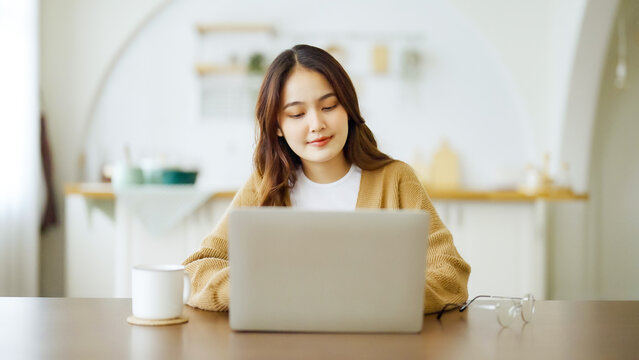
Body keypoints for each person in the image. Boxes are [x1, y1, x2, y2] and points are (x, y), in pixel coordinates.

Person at [183, 44, 470, 314]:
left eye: (329, 106)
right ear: (277, 126)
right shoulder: (266, 183)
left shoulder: (395, 180)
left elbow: (450, 273)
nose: (316, 124)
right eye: (296, 113)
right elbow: (197, 267)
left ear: (348, 108)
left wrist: (377, 297)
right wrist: (256, 290)